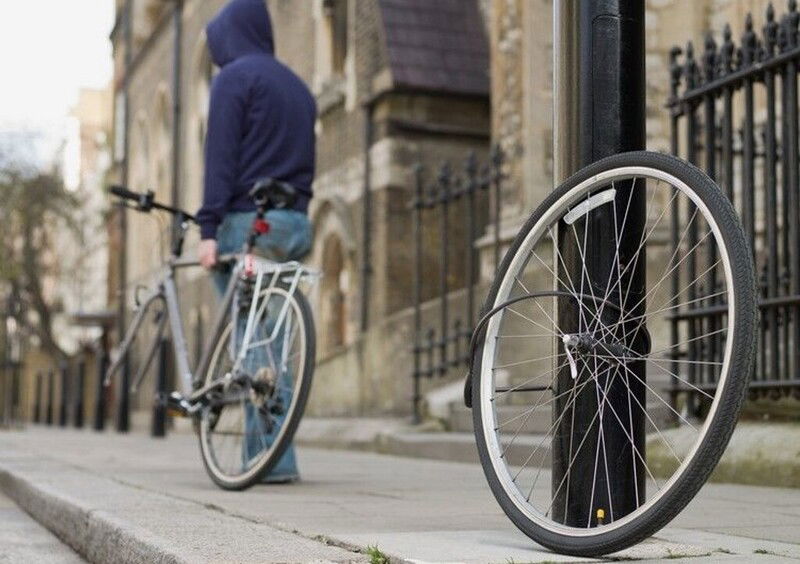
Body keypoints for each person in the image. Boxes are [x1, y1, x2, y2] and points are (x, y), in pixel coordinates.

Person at [197, 0, 316, 484]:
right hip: (294, 224)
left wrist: (208, 229)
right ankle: (276, 454)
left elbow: (220, 160)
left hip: (249, 225)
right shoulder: (299, 89)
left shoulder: (234, 79)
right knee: (279, 339)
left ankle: (269, 461)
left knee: (253, 348)